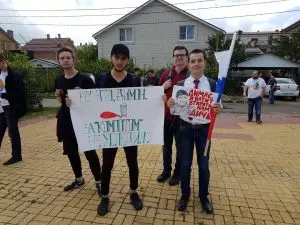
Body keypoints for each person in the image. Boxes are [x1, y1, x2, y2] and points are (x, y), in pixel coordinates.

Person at [167, 49, 222, 214]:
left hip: (204, 131)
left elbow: (218, 106)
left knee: (204, 166)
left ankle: (204, 197)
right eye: (193, 61)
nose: (196, 64)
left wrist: (219, 108)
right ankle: (184, 195)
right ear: (189, 64)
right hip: (185, 130)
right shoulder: (182, 85)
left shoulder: (212, 84)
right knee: (185, 165)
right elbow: (175, 109)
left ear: (204, 62)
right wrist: (171, 106)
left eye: (199, 60)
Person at [95, 44, 143, 216]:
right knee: (107, 165)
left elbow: (141, 102)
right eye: (117, 57)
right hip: (110, 130)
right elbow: (91, 103)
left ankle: (133, 192)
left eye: (123, 58)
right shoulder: (101, 79)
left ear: (127, 60)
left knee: (133, 164)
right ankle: (105, 196)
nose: (120, 61)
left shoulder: (134, 79)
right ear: (111, 58)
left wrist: (157, 99)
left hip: (129, 129)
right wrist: (71, 102)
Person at [54, 47, 102, 195]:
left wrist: (78, 102)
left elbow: (95, 102)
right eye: (62, 58)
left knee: (90, 153)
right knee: (71, 153)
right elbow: (60, 100)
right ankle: (79, 179)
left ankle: (99, 181)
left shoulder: (85, 80)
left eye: (68, 57)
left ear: (73, 59)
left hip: (83, 122)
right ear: (59, 61)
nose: (65, 60)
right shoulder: (58, 80)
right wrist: (59, 99)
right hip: (66, 122)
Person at [157, 46, 189, 186]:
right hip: (166, 117)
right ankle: (166, 171)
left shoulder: (190, 75)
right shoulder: (166, 74)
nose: (179, 57)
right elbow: (156, 95)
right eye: (176, 55)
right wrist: (162, 88)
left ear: (187, 57)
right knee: (166, 146)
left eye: (182, 55)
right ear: (173, 57)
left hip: (182, 119)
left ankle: (177, 173)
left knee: (181, 148)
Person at [0, 53, 26, 165]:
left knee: (12, 132)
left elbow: (19, 93)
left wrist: (5, 96)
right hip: (1, 107)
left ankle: (16, 156)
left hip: (11, 107)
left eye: (1, 61)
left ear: (4, 61)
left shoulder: (13, 75)